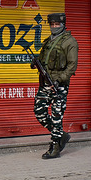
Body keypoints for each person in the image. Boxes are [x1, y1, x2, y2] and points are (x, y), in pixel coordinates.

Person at [32, 13, 78, 159]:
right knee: (39, 111)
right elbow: (43, 58)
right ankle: (61, 135)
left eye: (57, 24)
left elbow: (72, 66)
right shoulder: (48, 41)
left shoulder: (70, 42)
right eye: (51, 24)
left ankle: (55, 146)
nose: (54, 27)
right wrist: (36, 63)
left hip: (59, 85)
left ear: (63, 24)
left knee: (57, 115)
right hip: (45, 83)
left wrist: (60, 80)